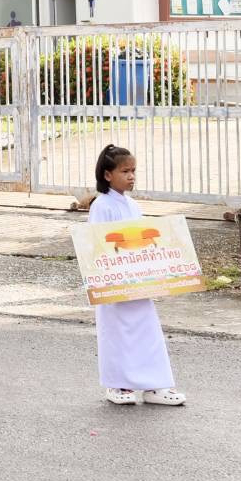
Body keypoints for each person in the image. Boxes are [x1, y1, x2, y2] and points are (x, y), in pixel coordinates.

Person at [89, 146, 186, 406]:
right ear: (108, 175)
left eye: (133, 171)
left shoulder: (132, 204)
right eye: (125, 171)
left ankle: (154, 386)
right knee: (117, 333)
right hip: (114, 283)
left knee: (147, 331)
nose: (131, 176)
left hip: (138, 281)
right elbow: (97, 245)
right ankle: (117, 385)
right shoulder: (102, 206)